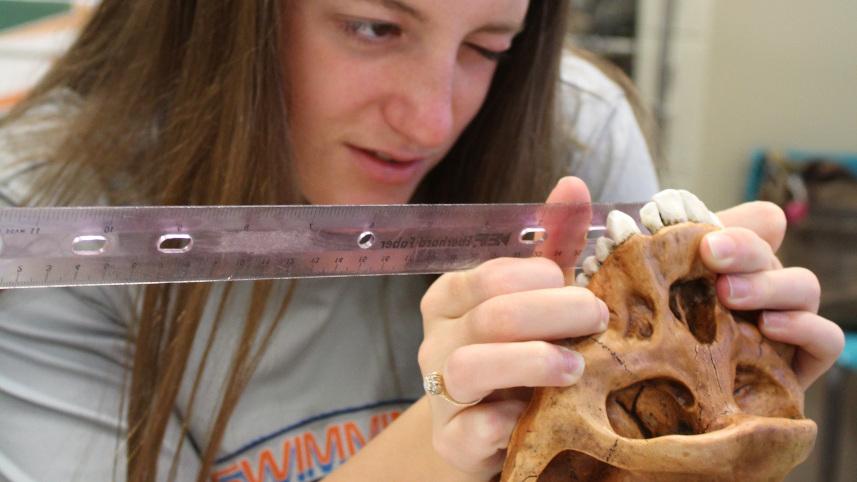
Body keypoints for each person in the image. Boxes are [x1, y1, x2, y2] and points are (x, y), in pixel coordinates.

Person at [0, 1, 844, 481]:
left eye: (487, 47)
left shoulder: (571, 134)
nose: (432, 118)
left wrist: (712, 433)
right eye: (374, 26)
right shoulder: (45, 223)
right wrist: (442, 446)